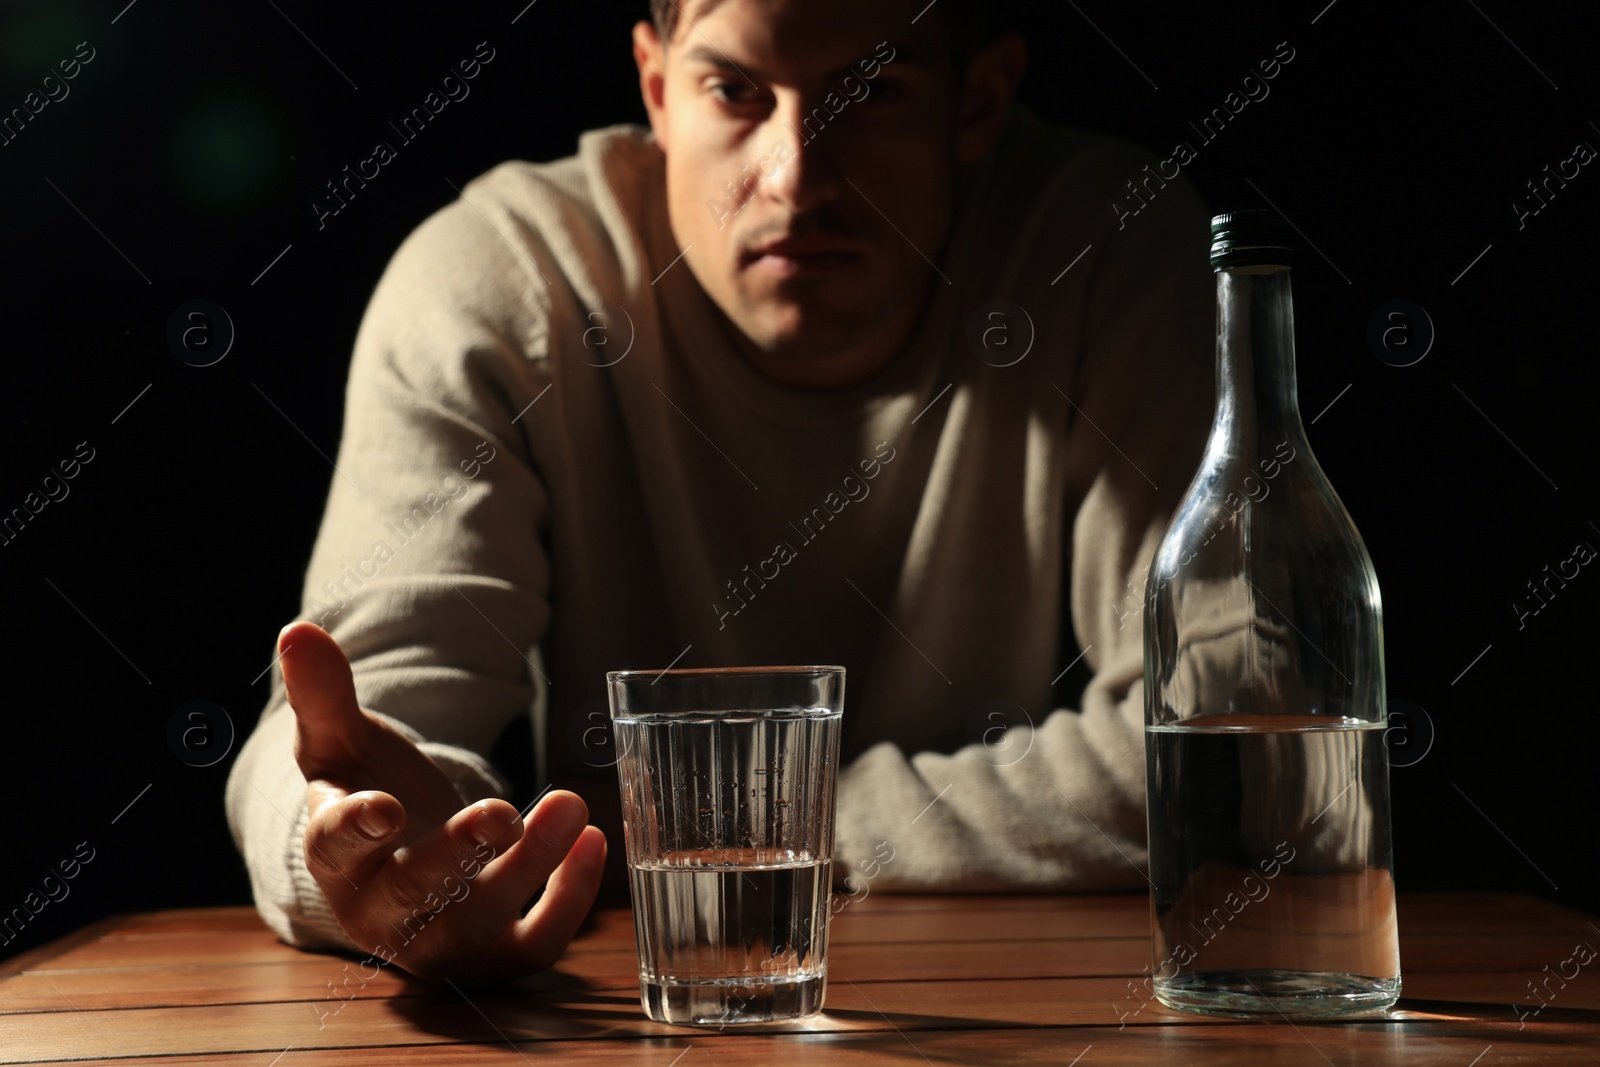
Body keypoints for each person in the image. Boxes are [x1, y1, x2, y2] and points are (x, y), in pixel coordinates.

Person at [226, 0, 1215, 982]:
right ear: (657, 90)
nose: (796, 176)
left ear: (979, 101)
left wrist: (670, 833)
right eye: (735, 91)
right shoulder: (502, 282)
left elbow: (1226, 743)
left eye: (869, 90)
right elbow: (343, 740)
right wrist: (349, 858)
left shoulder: (1106, 251)